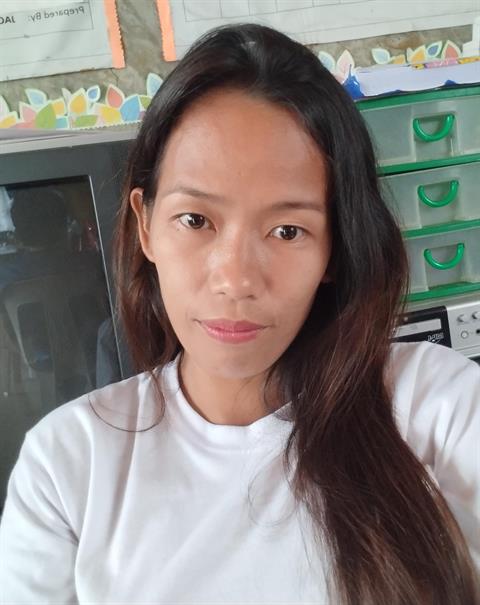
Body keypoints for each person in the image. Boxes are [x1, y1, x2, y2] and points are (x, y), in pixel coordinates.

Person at [0, 23, 478, 605]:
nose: (236, 280)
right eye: (195, 220)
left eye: (288, 230)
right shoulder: (66, 466)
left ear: (334, 250)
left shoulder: (438, 407)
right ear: (146, 225)